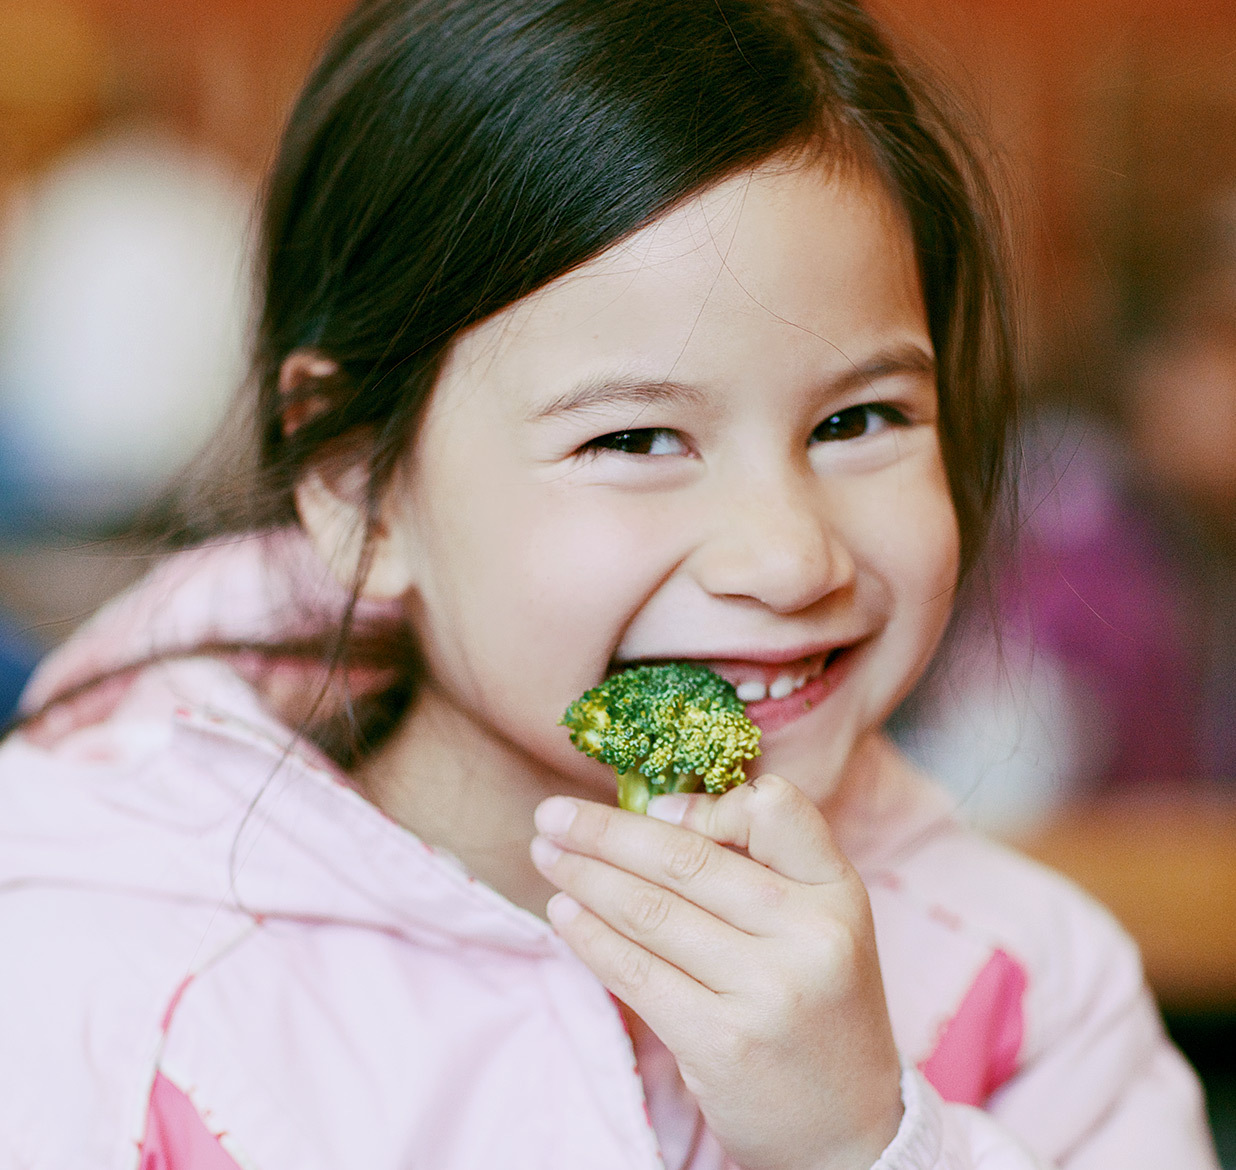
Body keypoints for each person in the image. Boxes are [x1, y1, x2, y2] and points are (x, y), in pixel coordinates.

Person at [0, 1, 1218, 1167]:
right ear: (352, 480)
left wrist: (862, 1142)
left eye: (859, 418)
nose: (791, 556)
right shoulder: (97, 981)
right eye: (635, 441)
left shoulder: (1029, 981)